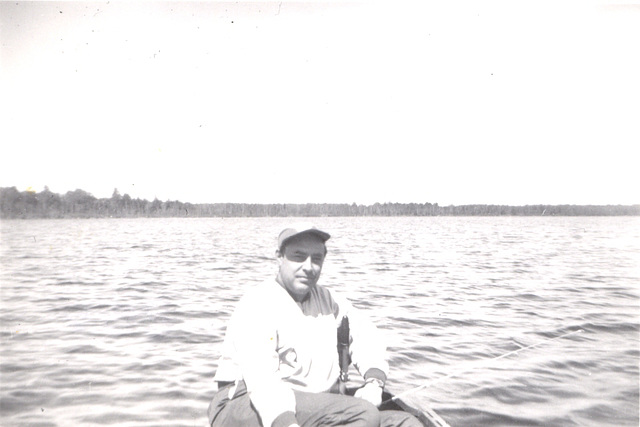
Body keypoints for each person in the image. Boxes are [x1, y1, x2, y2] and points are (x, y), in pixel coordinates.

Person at [208, 224, 422, 427]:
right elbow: (263, 382)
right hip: (244, 403)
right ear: (280, 257)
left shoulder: (329, 300)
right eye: (299, 257)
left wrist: (374, 383)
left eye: (316, 259)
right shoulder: (258, 304)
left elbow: (367, 338)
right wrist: (285, 423)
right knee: (363, 413)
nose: (308, 267)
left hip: (308, 404)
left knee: (406, 423)